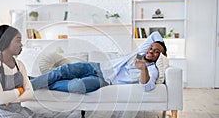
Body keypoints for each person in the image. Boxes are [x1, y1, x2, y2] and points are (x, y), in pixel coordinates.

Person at [31, 31, 167, 93]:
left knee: (77, 86)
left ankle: (41, 83)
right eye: (152, 48)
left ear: (159, 57)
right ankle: (29, 85)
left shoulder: (152, 70)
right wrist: (160, 47)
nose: (152, 51)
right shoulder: (139, 52)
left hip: (105, 81)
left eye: (157, 52)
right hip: (96, 66)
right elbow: (155, 34)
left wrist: (143, 68)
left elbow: (146, 87)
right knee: (63, 70)